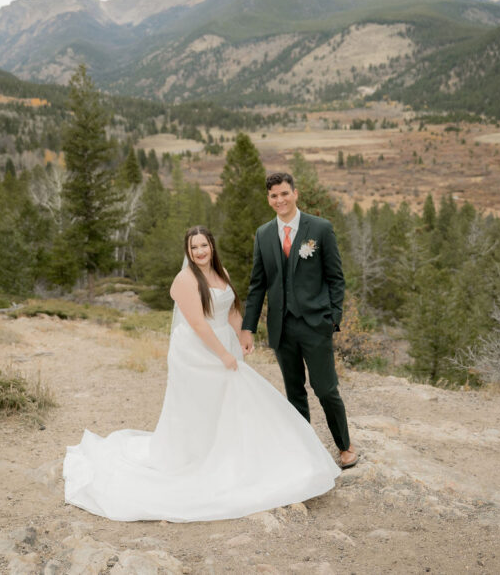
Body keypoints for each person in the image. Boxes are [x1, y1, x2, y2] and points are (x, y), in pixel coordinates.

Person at [63, 226, 339, 522]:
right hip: (197, 351)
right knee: (202, 405)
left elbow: (231, 310)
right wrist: (222, 354)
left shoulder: (222, 273)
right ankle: (197, 457)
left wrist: (244, 334)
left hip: (223, 341)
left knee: (229, 402)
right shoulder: (185, 280)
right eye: (194, 248)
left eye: (204, 246)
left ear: (212, 246)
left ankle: (232, 454)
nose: (199, 252)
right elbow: (197, 323)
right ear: (188, 251)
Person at [239, 173, 358, 469]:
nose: (279, 200)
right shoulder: (263, 234)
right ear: (268, 199)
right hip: (281, 327)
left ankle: (344, 445)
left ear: (295, 193)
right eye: (273, 196)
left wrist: (332, 318)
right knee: (294, 392)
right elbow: (257, 286)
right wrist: (248, 327)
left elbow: (335, 278)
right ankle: (305, 451)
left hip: (316, 324)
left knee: (326, 388)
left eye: (284, 194)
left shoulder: (320, 228)